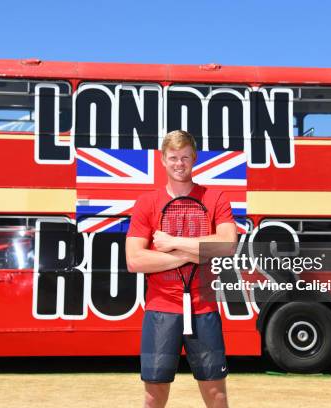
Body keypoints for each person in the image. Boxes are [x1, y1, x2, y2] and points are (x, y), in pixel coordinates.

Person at [126, 130, 237, 408]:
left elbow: (227, 246)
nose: (179, 163)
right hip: (161, 310)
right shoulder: (146, 202)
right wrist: (195, 254)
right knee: (154, 395)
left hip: (204, 309)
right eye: (173, 157)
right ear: (163, 160)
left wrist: (172, 243)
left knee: (216, 394)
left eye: (185, 157)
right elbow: (135, 260)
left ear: (194, 159)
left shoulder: (216, 197)